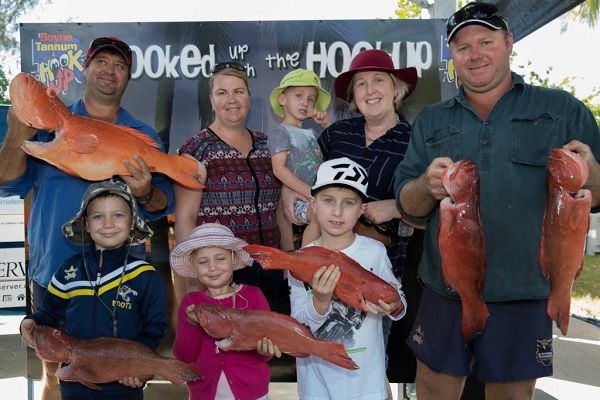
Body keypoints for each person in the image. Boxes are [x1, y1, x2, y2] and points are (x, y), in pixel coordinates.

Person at [394, 3, 600, 399]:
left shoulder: (562, 109)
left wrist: (592, 174)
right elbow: (407, 203)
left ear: (509, 43)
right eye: (462, 47)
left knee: (512, 394)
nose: (474, 55)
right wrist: (427, 186)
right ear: (451, 57)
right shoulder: (431, 119)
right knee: (433, 390)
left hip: (525, 289)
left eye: (485, 42)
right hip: (445, 287)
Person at [0, 36, 173, 400]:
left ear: (128, 77)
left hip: (119, 276)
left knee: (120, 371)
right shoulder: (46, 126)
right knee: (56, 374)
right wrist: (17, 133)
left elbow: (160, 205)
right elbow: (6, 184)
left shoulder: (141, 135)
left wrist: (143, 192)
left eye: (120, 65)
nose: (110, 71)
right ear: (86, 68)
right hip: (52, 272)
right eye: (102, 62)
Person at [286, 48, 422, 387]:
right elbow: (308, 187)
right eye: (361, 84)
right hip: (325, 262)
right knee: (321, 346)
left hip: (383, 265)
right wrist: (301, 219)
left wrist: (396, 206)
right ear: (353, 95)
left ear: (397, 89)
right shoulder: (336, 135)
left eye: (379, 81)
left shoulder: (414, 140)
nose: (370, 90)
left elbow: (431, 205)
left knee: (370, 356)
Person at [19, 180, 167, 400]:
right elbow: (49, 313)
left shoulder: (145, 275)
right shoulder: (69, 270)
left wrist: (138, 366)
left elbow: (154, 328)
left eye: (118, 215)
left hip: (124, 384)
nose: (108, 224)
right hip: (75, 382)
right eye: (98, 216)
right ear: (86, 224)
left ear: (132, 223)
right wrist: (30, 323)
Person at [289, 157, 407, 400]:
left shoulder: (374, 252)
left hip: (366, 383)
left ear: (362, 209)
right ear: (313, 203)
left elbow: (398, 299)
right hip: (316, 385)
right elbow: (297, 324)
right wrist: (320, 301)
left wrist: (395, 306)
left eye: (349, 203)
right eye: (328, 200)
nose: (337, 211)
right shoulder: (300, 259)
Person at [174, 61, 282, 310]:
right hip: (223, 273)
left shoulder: (268, 145)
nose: (231, 99)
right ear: (211, 100)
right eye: (222, 92)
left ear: (249, 97)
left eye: (238, 91)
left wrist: (286, 259)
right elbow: (185, 218)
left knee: (272, 345)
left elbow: (278, 209)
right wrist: (193, 281)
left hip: (271, 266)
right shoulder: (195, 150)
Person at [170, 223, 281, 400]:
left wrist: (265, 350)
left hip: (252, 393)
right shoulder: (191, 302)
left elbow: (263, 355)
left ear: (234, 259)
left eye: (220, 258)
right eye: (203, 262)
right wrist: (192, 324)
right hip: (203, 393)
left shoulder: (253, 296)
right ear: (194, 266)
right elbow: (183, 356)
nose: (212, 267)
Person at [268, 68, 331, 250]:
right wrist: (310, 193)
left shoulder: (312, 133)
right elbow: (278, 169)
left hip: (312, 197)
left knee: (327, 216)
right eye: (298, 96)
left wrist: (325, 125)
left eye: (311, 99)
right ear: (282, 99)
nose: (305, 102)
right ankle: (306, 259)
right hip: (297, 200)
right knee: (320, 217)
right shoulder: (281, 131)